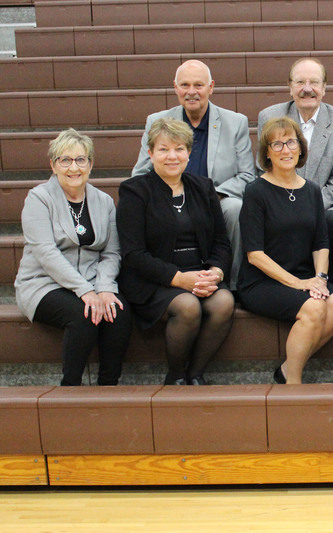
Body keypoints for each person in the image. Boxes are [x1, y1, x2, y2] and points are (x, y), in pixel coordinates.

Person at [118, 118, 234, 385]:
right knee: (188, 305)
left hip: (201, 275)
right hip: (155, 280)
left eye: (179, 149)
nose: (172, 156)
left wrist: (215, 272)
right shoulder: (135, 191)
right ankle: (175, 375)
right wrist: (180, 279)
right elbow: (133, 254)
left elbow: (221, 241)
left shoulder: (203, 187)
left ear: (189, 153)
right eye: (163, 149)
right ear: (150, 154)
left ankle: (195, 374)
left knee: (224, 302)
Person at [15, 129, 131, 386]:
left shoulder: (103, 201)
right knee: (84, 313)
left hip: (91, 281)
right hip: (43, 283)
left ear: (90, 164)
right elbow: (46, 253)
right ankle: (70, 389)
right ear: (53, 165)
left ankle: (108, 386)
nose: (73, 167)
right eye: (64, 160)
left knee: (118, 311)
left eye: (80, 160)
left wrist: (104, 288)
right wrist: (85, 291)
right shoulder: (39, 198)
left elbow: (111, 253)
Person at [238, 117, 333, 384]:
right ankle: (294, 385)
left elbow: (321, 243)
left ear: (300, 148)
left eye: (291, 142)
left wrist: (320, 279)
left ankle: (287, 369)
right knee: (314, 308)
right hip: (262, 282)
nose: (285, 150)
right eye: (276, 144)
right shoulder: (255, 192)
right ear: (266, 152)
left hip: (305, 277)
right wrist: (300, 283)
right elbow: (255, 254)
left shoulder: (311, 190)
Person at [132, 59, 255, 291]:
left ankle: (234, 284)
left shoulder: (235, 122)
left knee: (236, 208)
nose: (191, 92)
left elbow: (247, 175)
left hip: (216, 201)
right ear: (175, 88)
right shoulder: (157, 121)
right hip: (169, 199)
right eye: (185, 85)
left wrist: (211, 196)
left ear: (211, 87)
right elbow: (140, 173)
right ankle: (165, 279)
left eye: (198, 85)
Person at [258, 57, 333, 282]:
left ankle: (330, 281)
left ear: (324, 88)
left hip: (323, 203)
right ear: (290, 87)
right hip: (278, 199)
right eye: (300, 82)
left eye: (314, 82)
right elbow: (264, 168)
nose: (307, 89)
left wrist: (305, 207)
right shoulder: (269, 117)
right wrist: (287, 207)